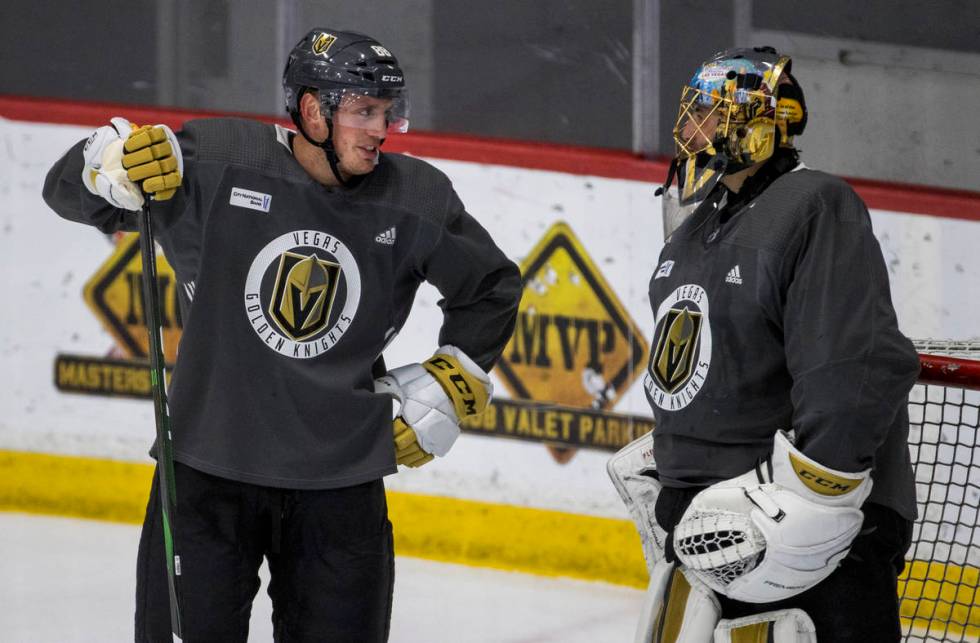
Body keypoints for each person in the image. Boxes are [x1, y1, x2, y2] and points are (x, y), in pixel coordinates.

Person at [43, 28, 521, 642]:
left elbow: (491, 288)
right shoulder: (212, 163)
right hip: (206, 475)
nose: (380, 129)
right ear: (313, 110)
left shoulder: (415, 198)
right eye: (364, 111)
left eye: (387, 113)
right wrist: (102, 164)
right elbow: (67, 194)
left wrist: (454, 377)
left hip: (341, 486)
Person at [611, 46, 921, 642]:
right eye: (692, 110)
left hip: (793, 527)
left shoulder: (814, 205)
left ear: (763, 124)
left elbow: (852, 367)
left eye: (713, 112)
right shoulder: (697, 223)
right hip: (709, 523)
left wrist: (813, 504)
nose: (693, 127)